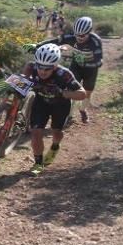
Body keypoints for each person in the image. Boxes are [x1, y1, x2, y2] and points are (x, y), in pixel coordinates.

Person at [21, 43, 87, 175]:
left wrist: (63, 93)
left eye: (47, 68)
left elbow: (82, 93)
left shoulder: (64, 74)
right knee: (36, 133)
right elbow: (23, 81)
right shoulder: (30, 66)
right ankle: (39, 164)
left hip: (60, 105)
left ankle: (55, 146)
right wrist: (18, 82)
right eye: (40, 67)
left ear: (55, 66)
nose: (42, 71)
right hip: (41, 103)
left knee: (56, 133)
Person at [30, 16, 103, 123]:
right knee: (70, 88)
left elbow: (98, 60)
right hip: (76, 66)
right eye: (76, 34)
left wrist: (87, 61)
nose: (79, 37)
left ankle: (82, 109)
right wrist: (38, 45)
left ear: (89, 32)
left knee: (87, 92)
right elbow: (56, 41)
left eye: (82, 35)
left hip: (91, 69)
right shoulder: (72, 37)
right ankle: (69, 115)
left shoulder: (96, 41)